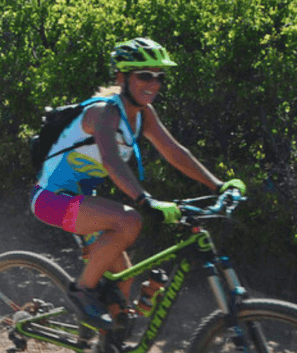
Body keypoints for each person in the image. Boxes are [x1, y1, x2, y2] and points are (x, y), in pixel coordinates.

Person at [30, 38, 246, 329]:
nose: (153, 84)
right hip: (50, 199)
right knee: (129, 220)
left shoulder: (144, 114)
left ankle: (104, 337)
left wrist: (218, 186)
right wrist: (146, 200)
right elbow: (112, 162)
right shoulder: (103, 113)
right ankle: (82, 291)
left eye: (159, 77)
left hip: (84, 203)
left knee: (123, 289)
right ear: (122, 78)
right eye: (144, 75)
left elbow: (174, 151)